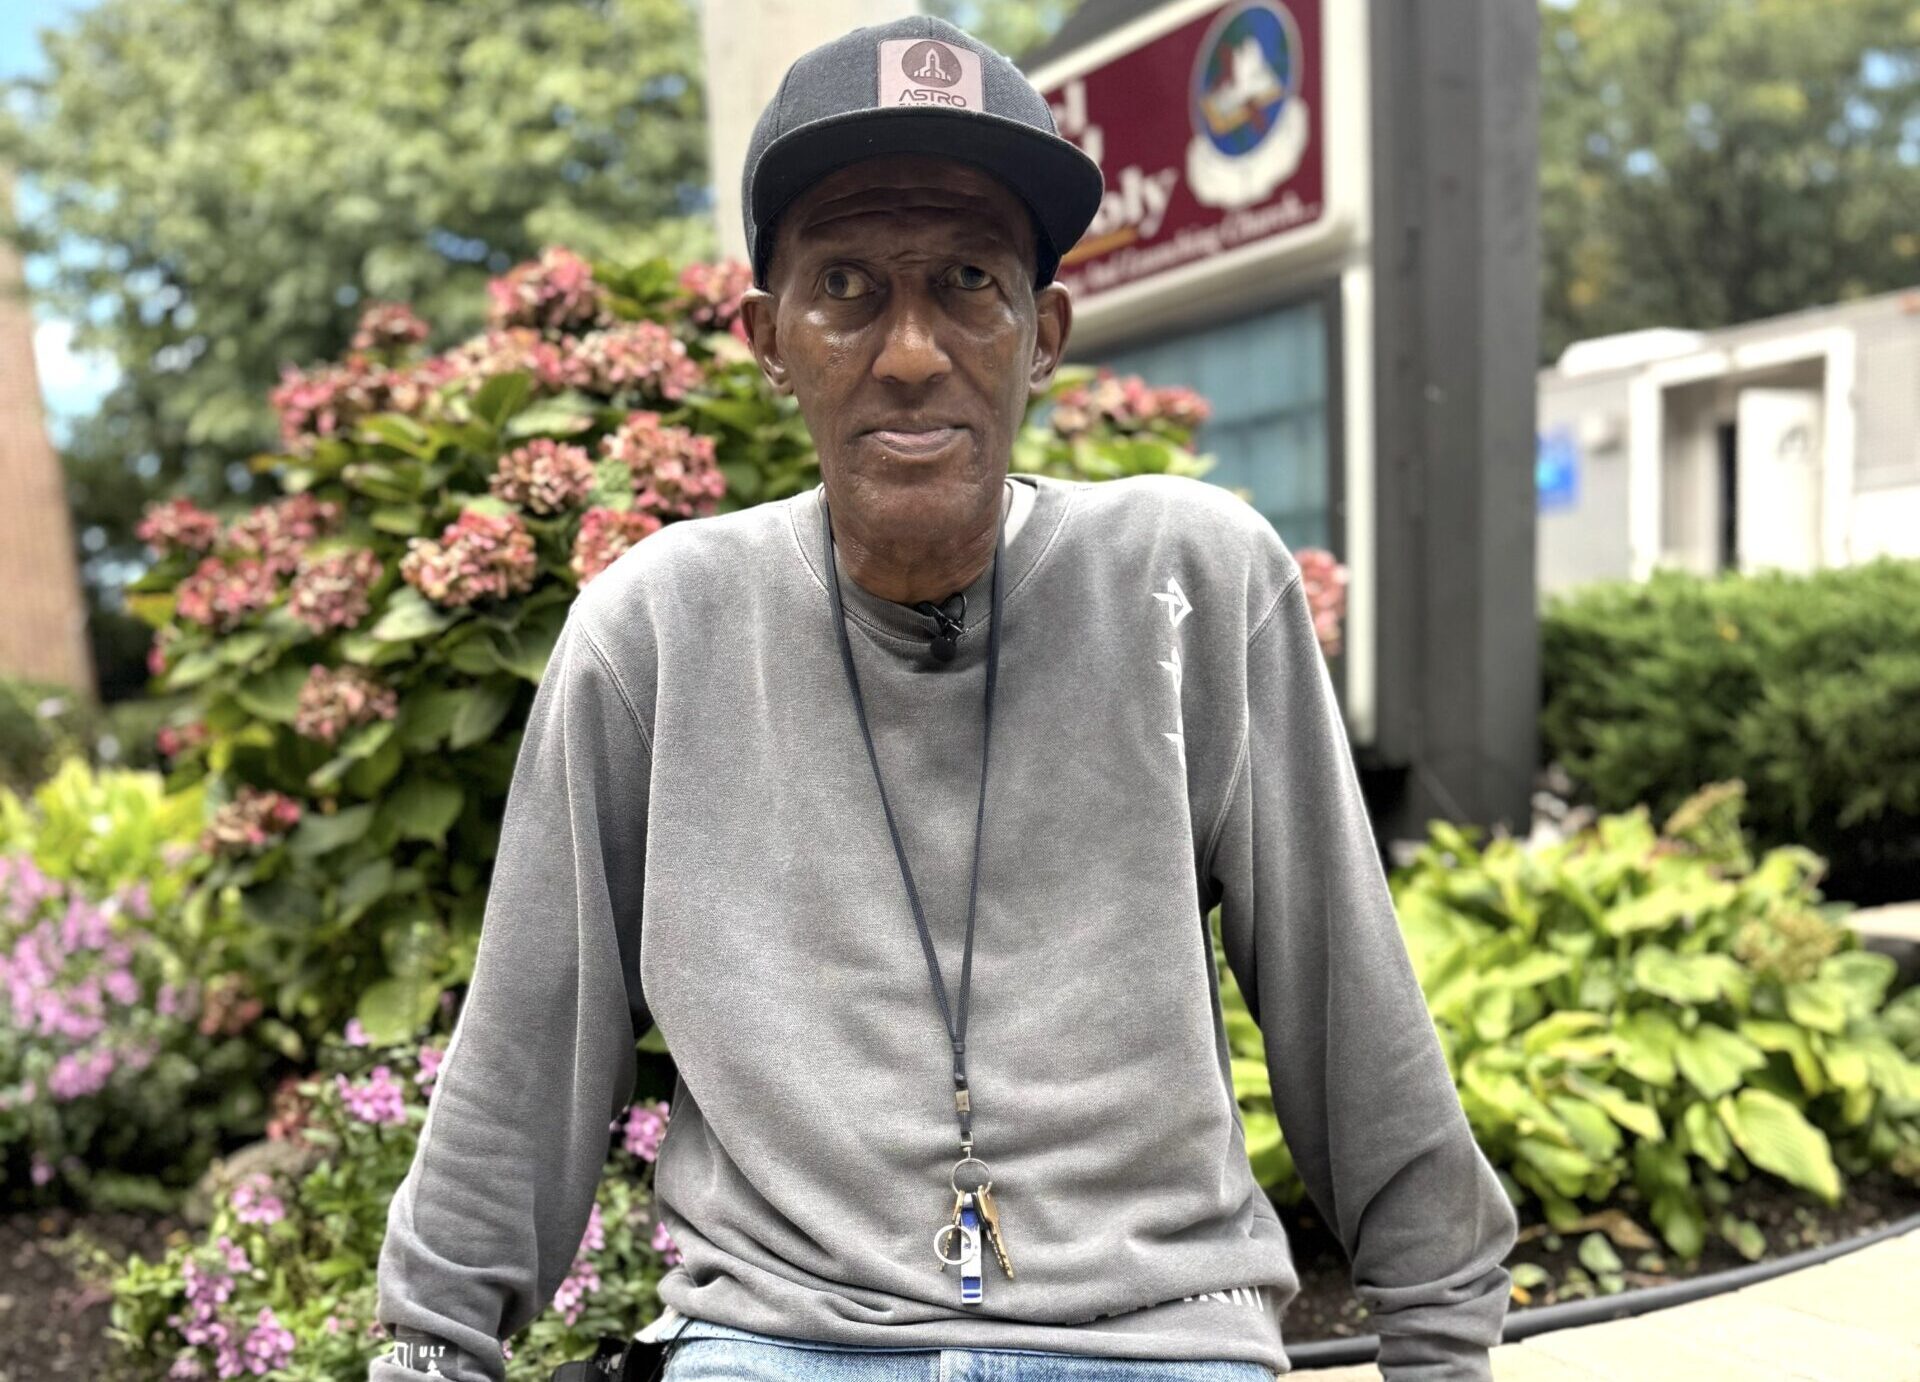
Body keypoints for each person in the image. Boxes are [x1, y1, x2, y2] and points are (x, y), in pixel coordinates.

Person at [372, 16, 1516, 1382]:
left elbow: (1351, 1010)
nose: (910, 350)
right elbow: (526, 1043)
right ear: (769, 338)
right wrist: (432, 1352)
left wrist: (1442, 1347)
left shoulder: (1194, 586)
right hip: (775, 1337)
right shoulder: (657, 631)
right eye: (846, 284)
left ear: (1042, 333)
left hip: (1155, 1333)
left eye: (967, 280)